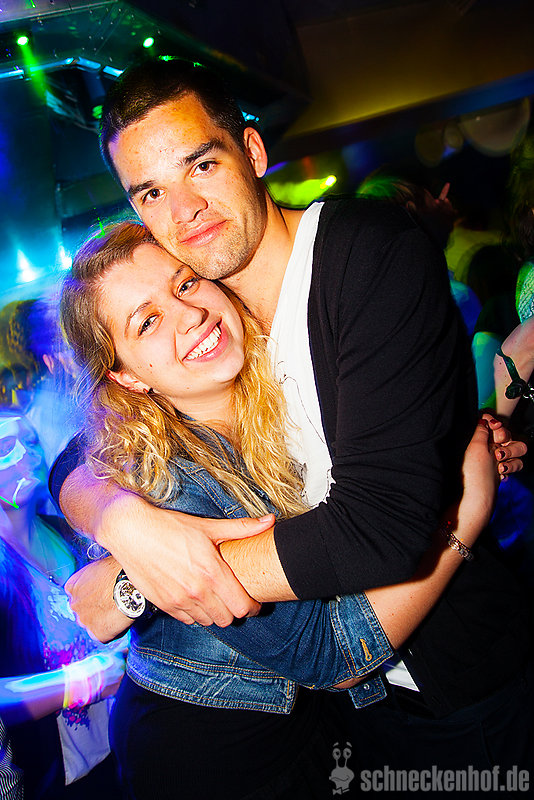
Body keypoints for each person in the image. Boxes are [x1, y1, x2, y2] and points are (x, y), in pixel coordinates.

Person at [52, 57, 532, 779]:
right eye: (151, 192)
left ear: (251, 152)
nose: (185, 211)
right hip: (339, 719)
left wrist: (142, 582)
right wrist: (121, 521)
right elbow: (81, 454)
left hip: (460, 687)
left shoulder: (362, 254)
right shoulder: (219, 310)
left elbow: (379, 527)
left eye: (201, 165)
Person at [0, 410, 125, 799]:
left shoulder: (68, 532)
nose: (27, 453)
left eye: (31, 441)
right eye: (6, 447)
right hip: (56, 779)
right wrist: (86, 681)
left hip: (118, 752)